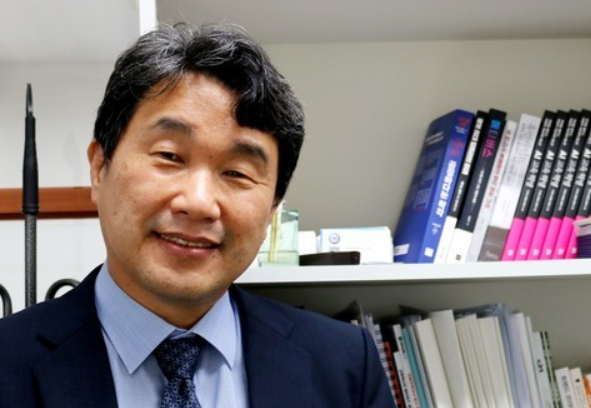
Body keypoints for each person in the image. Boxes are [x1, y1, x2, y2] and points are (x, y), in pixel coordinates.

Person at [0, 23, 394, 408]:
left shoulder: (346, 365)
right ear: (100, 168)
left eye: (237, 173)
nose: (199, 203)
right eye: (169, 156)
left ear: (273, 208)